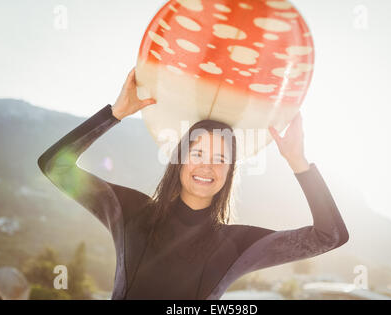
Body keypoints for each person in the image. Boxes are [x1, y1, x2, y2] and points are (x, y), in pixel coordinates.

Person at [37, 67, 349, 300]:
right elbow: (55, 166)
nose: (207, 165)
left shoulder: (239, 245)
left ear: (229, 172)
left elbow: (330, 235)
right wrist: (115, 113)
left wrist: (298, 161)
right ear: (180, 161)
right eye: (197, 152)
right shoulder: (130, 212)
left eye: (220, 158)